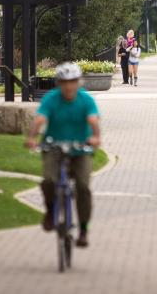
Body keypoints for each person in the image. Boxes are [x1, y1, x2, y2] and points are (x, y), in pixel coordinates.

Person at [25, 62, 101, 247]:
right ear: (59, 83)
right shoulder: (52, 99)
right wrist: (32, 137)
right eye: (65, 82)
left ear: (78, 82)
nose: (69, 86)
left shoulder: (85, 100)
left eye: (73, 81)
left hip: (80, 148)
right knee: (49, 180)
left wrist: (96, 137)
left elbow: (93, 119)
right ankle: (51, 211)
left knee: (83, 186)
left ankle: (83, 228)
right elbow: (41, 118)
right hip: (54, 147)